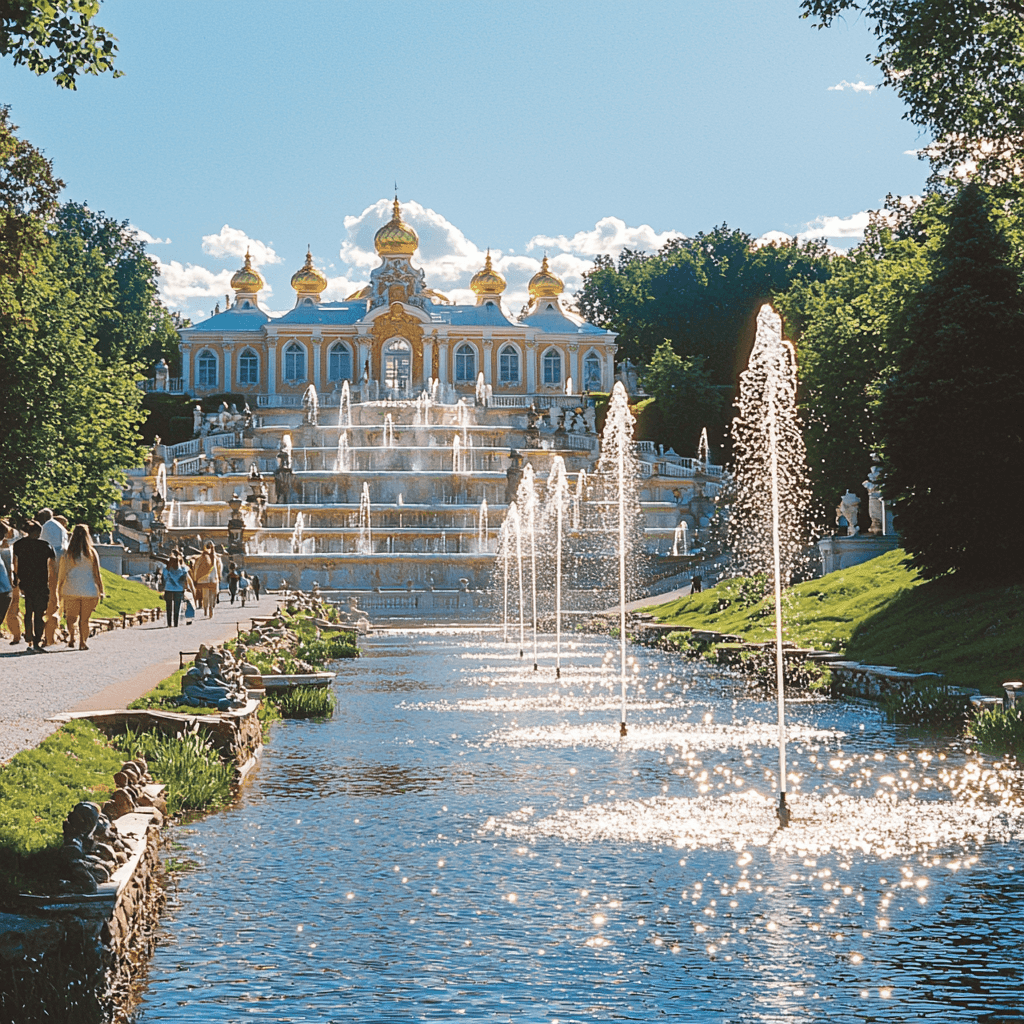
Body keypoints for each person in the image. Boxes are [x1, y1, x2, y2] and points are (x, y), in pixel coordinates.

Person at [58, 524, 105, 650]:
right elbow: (97, 574)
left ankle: (72, 637)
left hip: (71, 589)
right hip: (89, 590)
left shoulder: (68, 554)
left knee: (71, 618)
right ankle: (83, 642)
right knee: (84, 620)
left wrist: (59, 590)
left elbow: (62, 574)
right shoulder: (91, 553)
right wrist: (101, 590)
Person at [12, 520, 56, 652]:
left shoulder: (18, 545)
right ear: (38, 532)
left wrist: (16, 578)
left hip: (25, 582)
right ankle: (37, 640)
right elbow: (52, 566)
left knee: (28, 611)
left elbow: (15, 564)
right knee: (39, 613)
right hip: (41, 582)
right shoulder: (45, 546)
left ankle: (29, 637)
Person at [37, 508, 67, 646]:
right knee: (55, 600)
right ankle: (51, 635)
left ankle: (48, 637)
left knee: (50, 602)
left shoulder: (46, 528)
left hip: (49, 567)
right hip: (61, 565)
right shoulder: (59, 528)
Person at [151, 552, 192, 627]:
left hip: (168, 589)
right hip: (179, 590)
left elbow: (164, 579)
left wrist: (162, 588)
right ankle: (176, 623)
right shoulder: (183, 569)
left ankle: (169, 623)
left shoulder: (166, 570)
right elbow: (185, 579)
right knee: (177, 607)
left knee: (169, 607)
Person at [0, 521, 21, 644]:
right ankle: (16, 634)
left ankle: (17, 634)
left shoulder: (6, 549)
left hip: (6, 585)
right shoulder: (8, 549)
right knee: (12, 610)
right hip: (5, 586)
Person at [190, 541, 221, 617]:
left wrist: (195, 578)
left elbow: (196, 568)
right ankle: (211, 608)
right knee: (213, 595)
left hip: (203, 579)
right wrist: (219, 577)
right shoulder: (217, 558)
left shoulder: (201, 557)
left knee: (205, 596)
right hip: (214, 579)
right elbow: (220, 568)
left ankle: (206, 609)